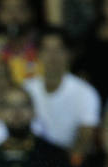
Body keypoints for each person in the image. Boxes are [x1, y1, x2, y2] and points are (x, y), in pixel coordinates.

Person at [23, 26, 100, 158]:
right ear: (38, 54)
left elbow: (86, 136)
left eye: (58, 50)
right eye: (46, 50)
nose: (52, 56)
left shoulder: (85, 92)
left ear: (69, 54)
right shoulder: (26, 89)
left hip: (67, 158)